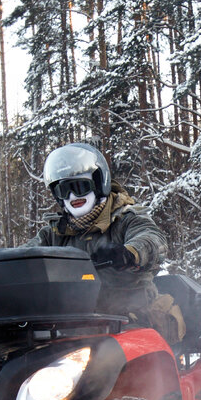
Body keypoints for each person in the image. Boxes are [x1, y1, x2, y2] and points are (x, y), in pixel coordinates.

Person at [27, 143, 180, 336]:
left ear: (99, 184)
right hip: (72, 326)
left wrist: (129, 253)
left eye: (80, 187)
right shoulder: (54, 234)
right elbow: (23, 256)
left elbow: (153, 240)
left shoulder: (125, 219)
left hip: (131, 320)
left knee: (108, 357)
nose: (73, 196)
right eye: (64, 190)